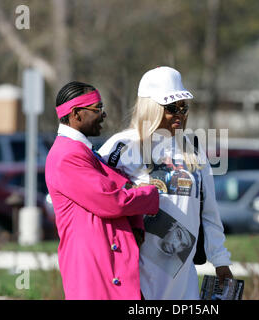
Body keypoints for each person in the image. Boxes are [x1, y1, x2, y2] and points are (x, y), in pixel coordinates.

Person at [99, 66, 233, 300]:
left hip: (183, 278)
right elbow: (99, 200)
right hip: (136, 273)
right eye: (171, 108)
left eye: (184, 107)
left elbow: (209, 213)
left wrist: (220, 260)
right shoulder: (121, 146)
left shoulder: (193, 149)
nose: (180, 114)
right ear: (151, 107)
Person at [45, 81, 160, 300]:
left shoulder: (82, 151)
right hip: (93, 267)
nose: (103, 115)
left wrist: (135, 223)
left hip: (106, 262)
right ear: (76, 114)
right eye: (98, 109)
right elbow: (112, 202)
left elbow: (121, 187)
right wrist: (150, 194)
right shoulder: (66, 156)